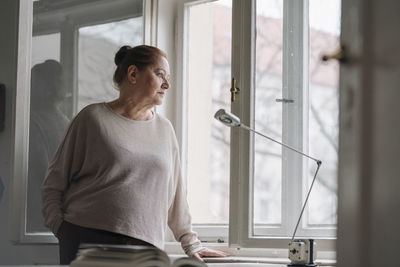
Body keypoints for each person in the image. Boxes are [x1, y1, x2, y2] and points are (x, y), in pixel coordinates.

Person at [41, 45, 229, 265]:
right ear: (132, 74)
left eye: (168, 77)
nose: (166, 84)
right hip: (87, 240)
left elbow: (176, 193)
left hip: (146, 247)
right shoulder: (92, 119)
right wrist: (62, 230)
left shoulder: (164, 129)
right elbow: (54, 183)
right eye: (160, 75)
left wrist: (191, 243)